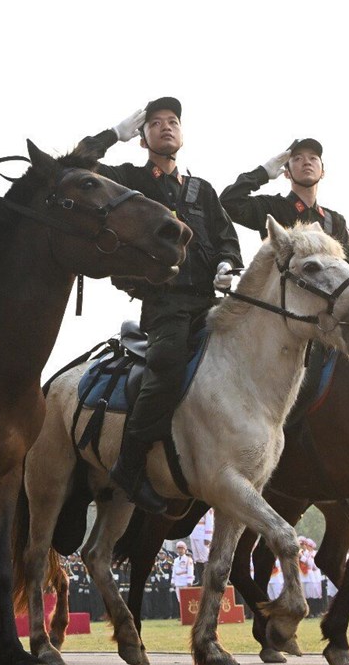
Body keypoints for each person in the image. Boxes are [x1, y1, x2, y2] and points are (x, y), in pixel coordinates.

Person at [74, 99, 242, 512]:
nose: (166, 128)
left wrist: (227, 263)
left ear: (182, 134)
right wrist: (112, 135)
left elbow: (226, 237)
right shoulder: (129, 181)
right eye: (154, 123)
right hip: (165, 302)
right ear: (142, 136)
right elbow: (75, 167)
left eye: (173, 122)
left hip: (210, 301)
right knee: (166, 364)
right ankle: (129, 466)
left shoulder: (203, 190)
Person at [218, 137, 349, 274]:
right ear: (287, 173)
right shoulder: (273, 207)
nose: (306, 162)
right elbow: (228, 202)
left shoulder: (336, 221)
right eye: (297, 158)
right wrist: (263, 173)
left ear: (323, 172)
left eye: (313, 158)